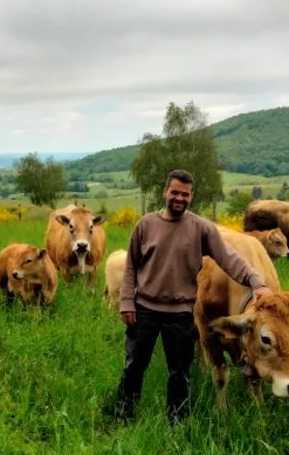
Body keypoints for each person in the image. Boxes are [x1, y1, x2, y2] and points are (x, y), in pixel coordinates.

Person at [107, 169, 271, 423]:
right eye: (175, 192)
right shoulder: (146, 225)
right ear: (165, 192)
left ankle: (178, 421)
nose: (179, 198)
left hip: (181, 313)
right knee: (134, 367)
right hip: (144, 310)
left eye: (185, 194)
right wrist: (127, 302)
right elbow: (131, 267)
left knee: (180, 372)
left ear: (191, 196)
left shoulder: (200, 228)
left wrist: (256, 282)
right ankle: (123, 416)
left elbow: (229, 259)